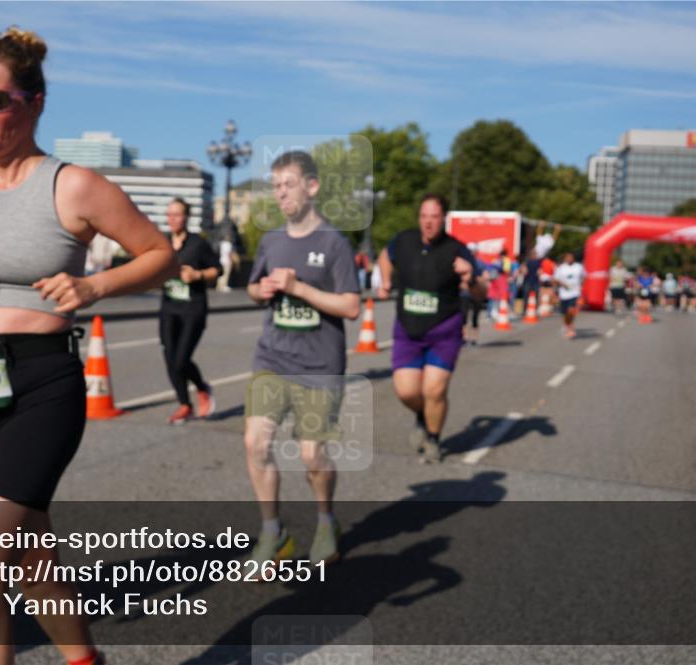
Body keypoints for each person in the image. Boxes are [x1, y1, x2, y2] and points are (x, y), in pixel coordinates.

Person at [0, 27, 176, 665]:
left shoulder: (73, 186)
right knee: (26, 548)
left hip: (40, 385)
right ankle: (84, 659)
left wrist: (93, 284)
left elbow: (161, 254)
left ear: (34, 102)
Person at [243, 150, 360, 569]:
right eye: (275, 186)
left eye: (288, 185)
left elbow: (351, 307)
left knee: (313, 455)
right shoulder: (271, 241)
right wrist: (264, 291)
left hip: (319, 365)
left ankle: (326, 521)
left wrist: (300, 290)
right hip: (272, 357)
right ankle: (273, 533)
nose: (280, 194)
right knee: (255, 443)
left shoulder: (334, 243)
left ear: (311, 187)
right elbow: (252, 288)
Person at [377, 194, 474, 464]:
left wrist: (470, 275)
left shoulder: (457, 249)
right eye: (424, 216)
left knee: (433, 390)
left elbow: (481, 290)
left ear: (443, 218)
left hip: (444, 330)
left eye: (434, 217)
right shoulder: (404, 240)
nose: (428, 222)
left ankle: (433, 438)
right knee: (407, 391)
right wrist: (386, 280)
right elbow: (385, 255)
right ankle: (422, 415)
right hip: (408, 330)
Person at [160, 197, 222, 425]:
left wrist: (198, 275)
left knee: (181, 359)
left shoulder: (198, 244)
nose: (173, 219)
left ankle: (202, 388)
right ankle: (184, 404)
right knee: (168, 355)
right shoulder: (163, 243)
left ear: (186, 217)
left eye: (177, 214)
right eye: (169, 215)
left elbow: (218, 269)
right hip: (169, 308)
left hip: (193, 309)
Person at [553, 252, 585, 339]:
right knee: (564, 313)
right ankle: (566, 325)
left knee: (571, 310)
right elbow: (555, 279)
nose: (569, 259)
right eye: (567, 258)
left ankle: (571, 329)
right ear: (565, 259)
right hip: (564, 294)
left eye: (571, 257)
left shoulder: (579, 267)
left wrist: (580, 286)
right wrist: (562, 284)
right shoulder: (561, 268)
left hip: (575, 293)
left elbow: (583, 277)